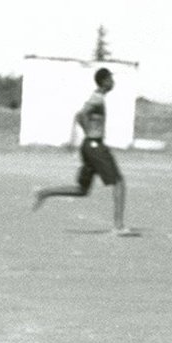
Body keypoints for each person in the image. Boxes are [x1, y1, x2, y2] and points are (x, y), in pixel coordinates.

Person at [32, 67, 137, 236]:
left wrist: (82, 136)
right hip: (94, 146)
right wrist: (90, 133)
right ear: (104, 81)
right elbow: (81, 115)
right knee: (119, 182)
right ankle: (118, 227)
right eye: (111, 79)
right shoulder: (97, 98)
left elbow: (79, 116)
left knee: (82, 190)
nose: (113, 82)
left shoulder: (98, 97)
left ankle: (44, 193)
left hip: (89, 146)